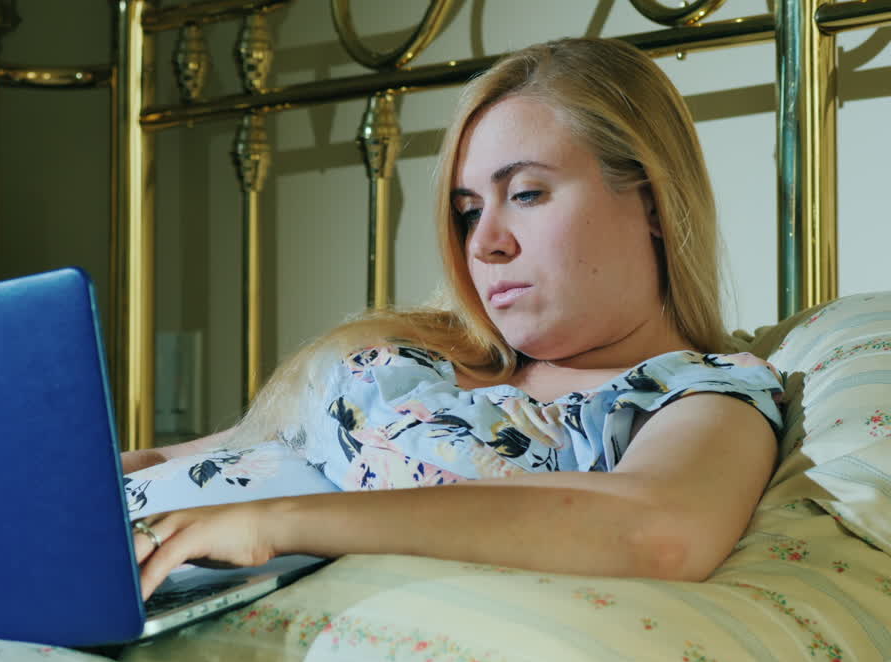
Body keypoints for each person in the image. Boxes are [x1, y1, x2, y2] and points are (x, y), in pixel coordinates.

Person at [122, 37, 784, 600]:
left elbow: (656, 532)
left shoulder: (695, 395)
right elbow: (218, 453)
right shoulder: (413, 354)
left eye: (525, 194)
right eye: (470, 210)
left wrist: (272, 525)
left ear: (651, 201)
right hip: (84, 559)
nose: (484, 242)